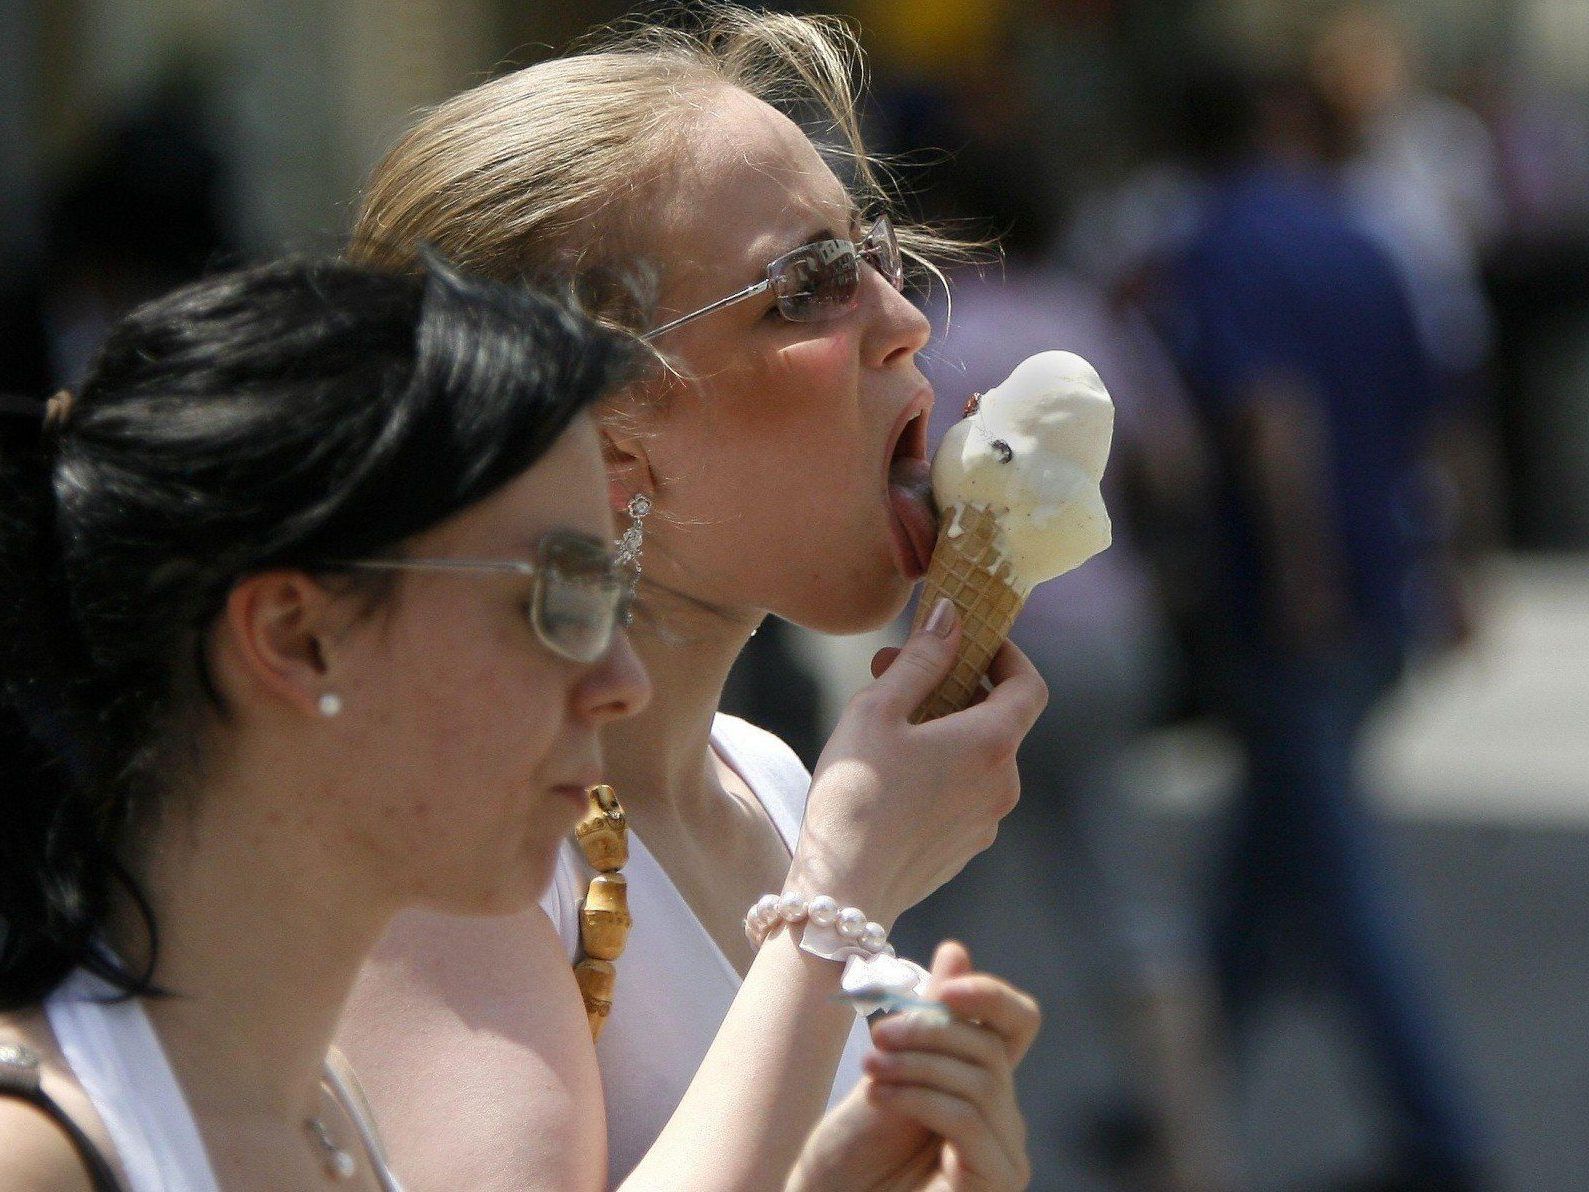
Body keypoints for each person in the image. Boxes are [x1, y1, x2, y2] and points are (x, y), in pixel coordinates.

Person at [0, 255, 1037, 1191]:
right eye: (561, 594)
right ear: (297, 633)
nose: (617, 678)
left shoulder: (323, 1111)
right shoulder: (39, 1153)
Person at [336, 6, 1048, 1190]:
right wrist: (841, 892)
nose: (905, 316)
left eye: (870, 247)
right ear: (603, 435)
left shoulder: (766, 780)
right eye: (808, 286)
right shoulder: (450, 831)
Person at [1142, 67, 1492, 1191]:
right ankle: (1177, 1102)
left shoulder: (1222, 244)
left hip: (1300, 607)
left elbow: (1267, 415)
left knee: (1338, 887)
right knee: (1261, 875)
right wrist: (1455, 566)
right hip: (1377, 591)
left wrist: (1299, 577)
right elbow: (1447, 416)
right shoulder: (1368, 237)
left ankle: (1440, 1135)